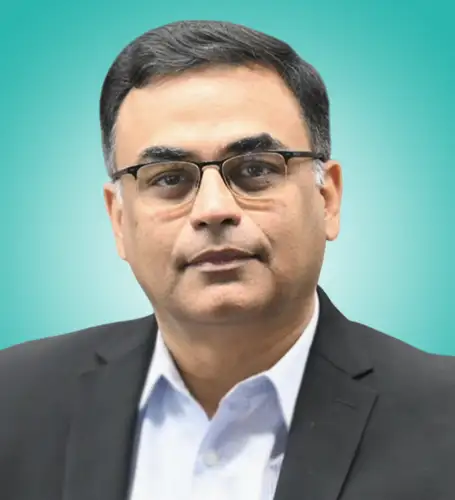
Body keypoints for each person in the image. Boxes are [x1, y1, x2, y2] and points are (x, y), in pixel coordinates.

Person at [1, 19, 454, 500]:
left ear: (328, 199)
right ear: (118, 220)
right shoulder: (15, 399)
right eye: (169, 178)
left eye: (255, 169)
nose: (214, 209)